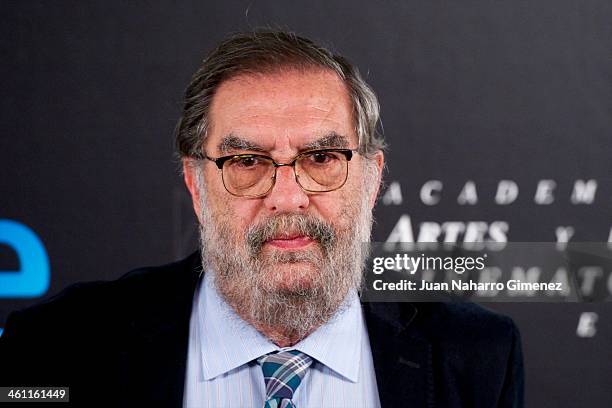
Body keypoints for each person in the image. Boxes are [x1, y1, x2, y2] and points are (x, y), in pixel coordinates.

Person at [0, 30, 523, 407]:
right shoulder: (57, 348)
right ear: (196, 184)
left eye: (322, 159)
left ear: (372, 179)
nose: (288, 197)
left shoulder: (476, 358)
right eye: (247, 162)